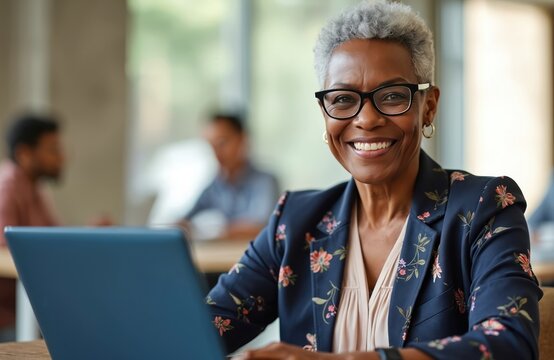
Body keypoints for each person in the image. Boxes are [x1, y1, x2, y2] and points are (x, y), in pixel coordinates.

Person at [207, 2, 541, 359]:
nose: (366, 119)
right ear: (325, 113)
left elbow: (508, 343)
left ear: (428, 106)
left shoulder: (484, 208)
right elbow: (200, 329)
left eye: (393, 96)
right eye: (343, 99)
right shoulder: (294, 222)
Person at [0, 114, 63, 340]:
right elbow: (7, 252)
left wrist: (90, 234)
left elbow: (53, 238)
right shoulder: (7, 187)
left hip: (28, 309)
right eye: (53, 150)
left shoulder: (34, 189)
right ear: (24, 154)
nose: (62, 157)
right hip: (8, 316)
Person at [182, 113, 280, 240]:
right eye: (211, 145)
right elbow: (186, 218)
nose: (216, 152)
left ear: (242, 139)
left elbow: (261, 226)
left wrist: (213, 231)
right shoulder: (217, 184)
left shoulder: (265, 182)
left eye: (222, 143)